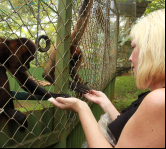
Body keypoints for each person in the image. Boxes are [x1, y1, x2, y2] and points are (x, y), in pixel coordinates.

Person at [48, 9, 165, 148]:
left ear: (153, 51)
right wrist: (104, 101)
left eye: (133, 47)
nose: (129, 57)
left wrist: (82, 108)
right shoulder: (154, 95)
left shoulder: (158, 100)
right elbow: (131, 130)